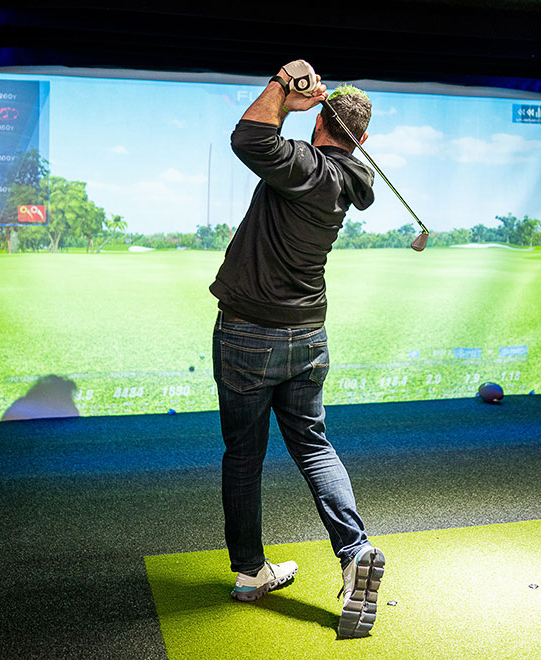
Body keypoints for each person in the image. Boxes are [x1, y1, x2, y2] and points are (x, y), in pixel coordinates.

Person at [209, 60, 385, 639]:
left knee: (244, 454)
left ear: (321, 126)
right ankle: (354, 551)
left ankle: (251, 571)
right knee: (312, 444)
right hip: (307, 337)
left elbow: (247, 136)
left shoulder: (305, 164)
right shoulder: (349, 179)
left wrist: (285, 89)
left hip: (248, 335)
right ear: (361, 139)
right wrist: (310, 109)